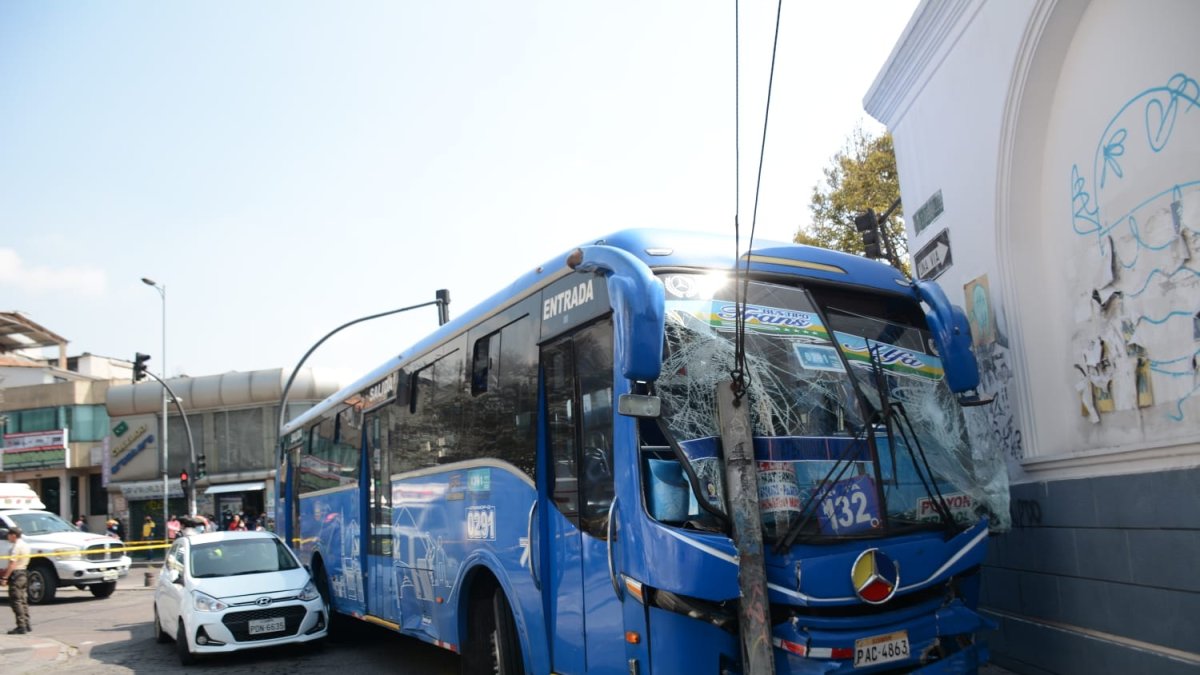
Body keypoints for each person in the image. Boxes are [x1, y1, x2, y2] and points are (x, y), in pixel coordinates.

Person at [0, 527, 32, 634]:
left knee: (16, 601)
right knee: (23, 600)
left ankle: (21, 626)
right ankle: (27, 624)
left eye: (8, 535)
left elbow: (12, 563)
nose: (7, 537)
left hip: (16, 574)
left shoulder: (16, 547)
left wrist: (5, 577)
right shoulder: (25, 545)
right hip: (23, 572)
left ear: (13, 535)